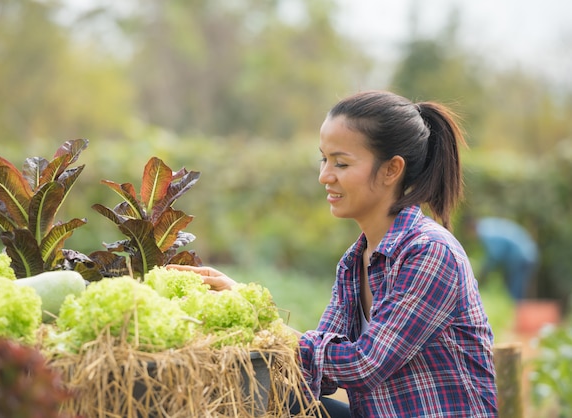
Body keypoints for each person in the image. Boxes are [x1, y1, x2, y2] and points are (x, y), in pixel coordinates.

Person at [170, 90, 498, 417]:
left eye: (341, 163)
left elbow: (364, 364)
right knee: (258, 400)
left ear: (391, 170)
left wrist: (262, 317)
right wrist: (241, 308)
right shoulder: (354, 263)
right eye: (323, 160)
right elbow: (320, 374)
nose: (324, 176)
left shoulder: (429, 251)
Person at [472, 216, 539, 301]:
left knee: (516, 290)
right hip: (528, 252)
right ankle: (518, 310)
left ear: (471, 229)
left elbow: (495, 255)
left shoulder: (485, 233)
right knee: (516, 289)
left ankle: (517, 311)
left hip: (522, 257)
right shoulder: (487, 225)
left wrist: (484, 272)